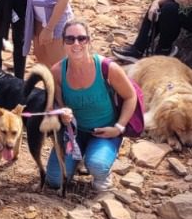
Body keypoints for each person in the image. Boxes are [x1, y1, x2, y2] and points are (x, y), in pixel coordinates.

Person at [46, 20, 140, 193]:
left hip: (106, 131)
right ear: (63, 42)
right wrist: (61, 113)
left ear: (89, 41)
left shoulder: (107, 68)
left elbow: (130, 96)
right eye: (70, 39)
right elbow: (55, 104)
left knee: (97, 165)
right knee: (54, 179)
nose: (76, 44)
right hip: (74, 132)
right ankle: (78, 158)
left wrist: (118, 128)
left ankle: (102, 172)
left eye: (81, 39)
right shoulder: (57, 71)